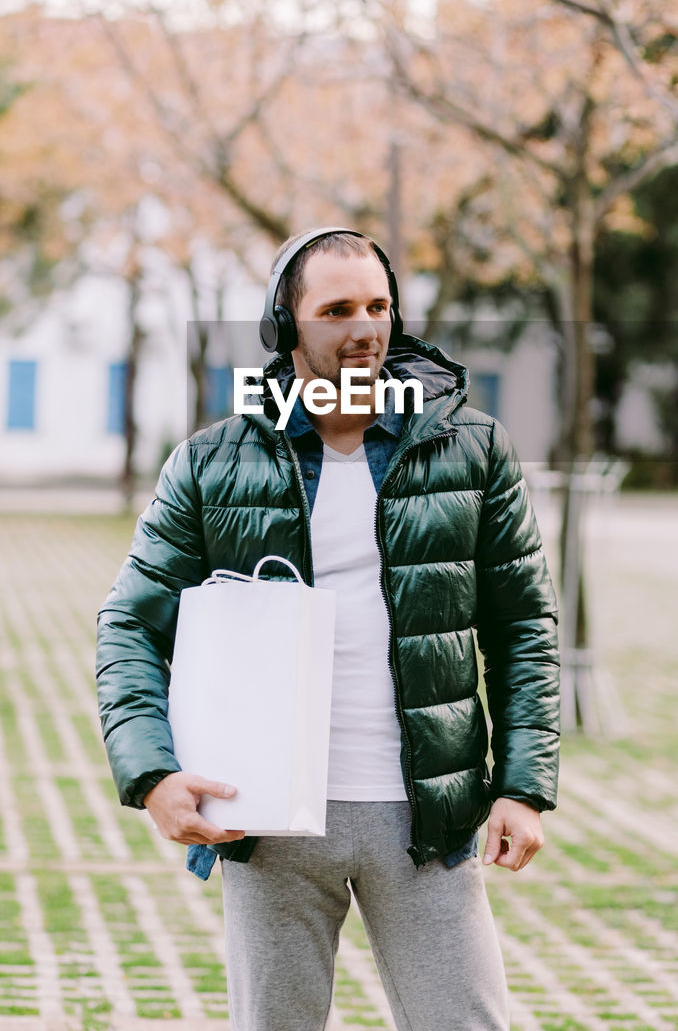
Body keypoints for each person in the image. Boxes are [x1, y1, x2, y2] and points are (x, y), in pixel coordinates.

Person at [96, 227, 560, 1031]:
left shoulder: (471, 450)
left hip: (428, 815)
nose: (364, 328)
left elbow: (523, 627)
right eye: (337, 308)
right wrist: (152, 776)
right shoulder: (213, 462)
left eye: (379, 306)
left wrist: (522, 787)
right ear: (285, 326)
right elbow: (129, 625)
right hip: (267, 815)